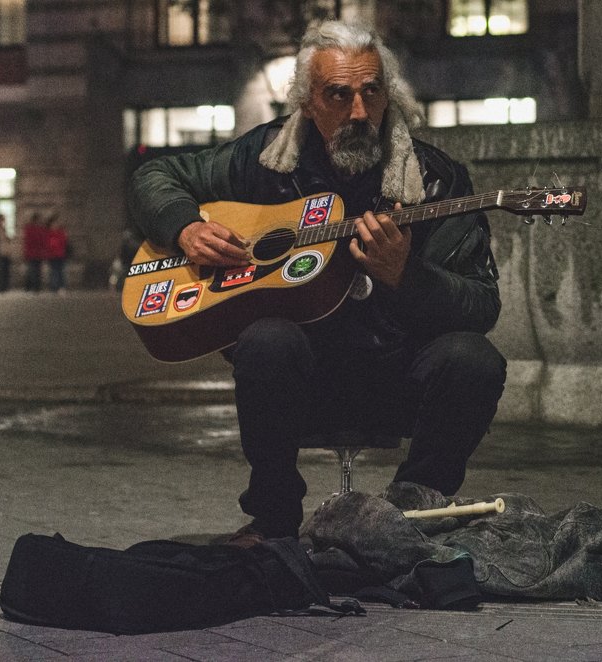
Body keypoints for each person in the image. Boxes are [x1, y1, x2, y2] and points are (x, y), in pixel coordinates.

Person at [130, 21, 506, 547]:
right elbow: (154, 177)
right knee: (265, 339)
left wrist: (406, 277)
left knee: (474, 359)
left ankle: (414, 511)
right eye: (339, 94)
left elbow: (483, 304)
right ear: (307, 102)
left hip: (396, 377)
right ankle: (274, 518)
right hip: (298, 382)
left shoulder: (435, 179)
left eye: (371, 92)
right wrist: (185, 227)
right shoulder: (262, 159)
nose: (358, 111)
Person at [45, 212, 69, 293]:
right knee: (54, 271)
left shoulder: (61, 232)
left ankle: (61, 286)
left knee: (61, 271)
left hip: (61, 254)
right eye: (54, 223)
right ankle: (54, 287)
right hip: (52, 255)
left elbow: (64, 243)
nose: (56, 225)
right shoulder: (49, 233)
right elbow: (48, 244)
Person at [22, 212, 46, 292]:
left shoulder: (38, 229)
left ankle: (35, 286)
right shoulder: (31, 229)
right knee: (32, 271)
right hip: (33, 253)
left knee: (36, 271)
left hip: (37, 253)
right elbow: (28, 242)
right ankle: (33, 286)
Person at [0, 213, 13, 291]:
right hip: (0, 253)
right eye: (2, 219)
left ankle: (4, 286)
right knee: (1, 270)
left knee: (5, 270)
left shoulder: (3, 229)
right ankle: (1, 286)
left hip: (5, 252)